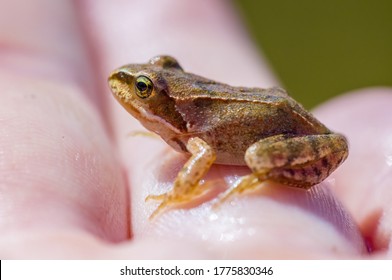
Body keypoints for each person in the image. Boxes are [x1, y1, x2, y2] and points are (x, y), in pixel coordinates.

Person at [0, 0, 390, 259]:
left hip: (282, 129)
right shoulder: (180, 121)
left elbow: (203, 151)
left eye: (143, 90)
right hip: (274, 108)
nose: (130, 88)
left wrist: (180, 193)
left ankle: (260, 175)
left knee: (256, 157)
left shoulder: (195, 135)